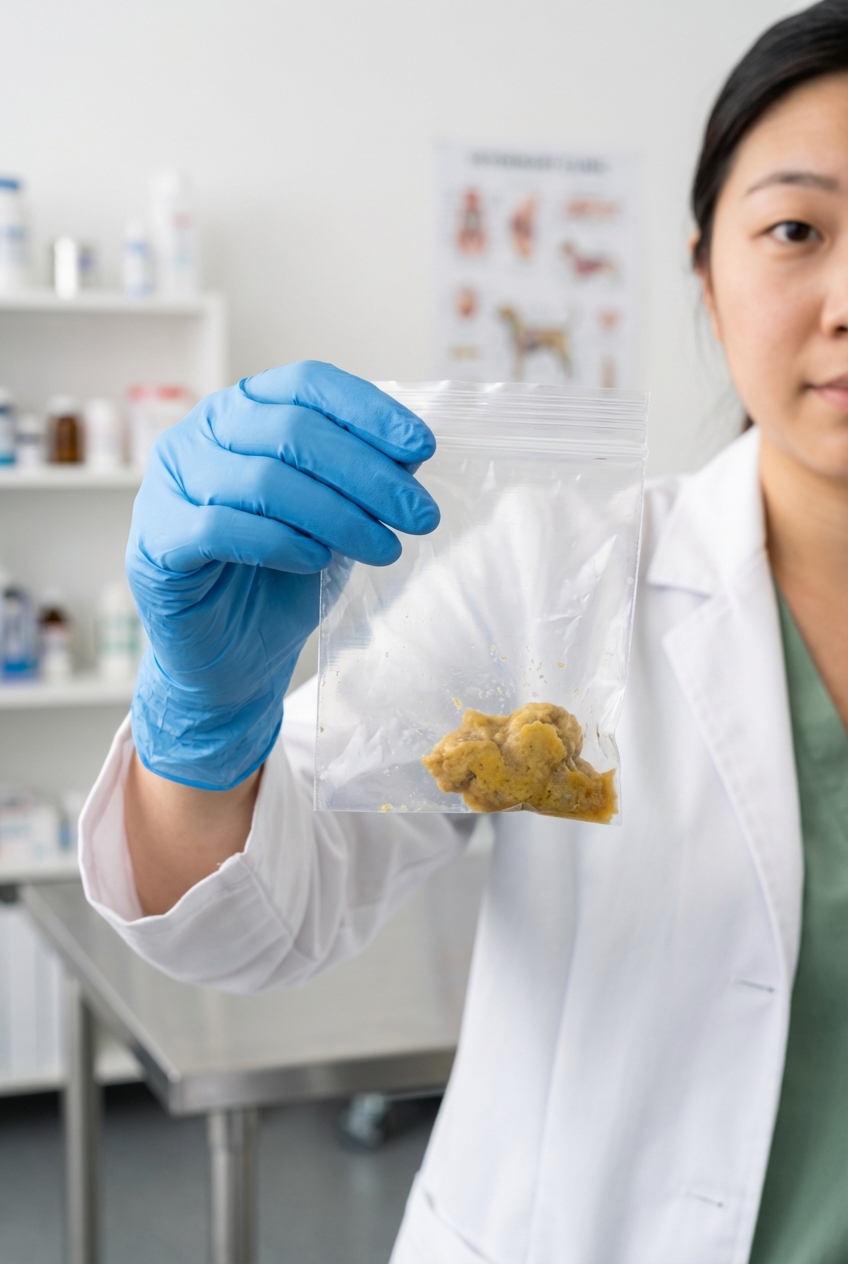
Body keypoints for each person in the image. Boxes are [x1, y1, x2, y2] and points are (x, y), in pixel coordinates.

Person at [80, 3, 848, 1260]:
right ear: (705, 270)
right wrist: (204, 729)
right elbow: (271, 911)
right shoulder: (565, 581)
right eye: (794, 229)